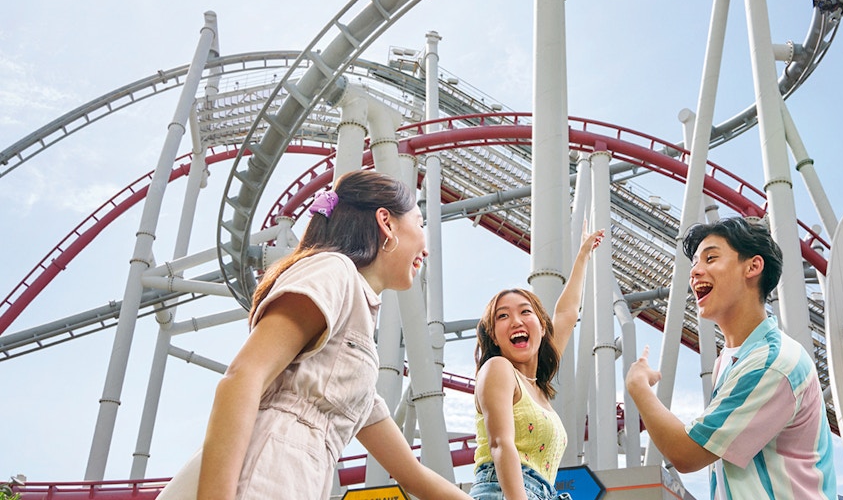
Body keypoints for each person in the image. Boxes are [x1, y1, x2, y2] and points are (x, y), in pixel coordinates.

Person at [158, 169, 472, 500]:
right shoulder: (333, 270)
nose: (426, 245)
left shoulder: (353, 373)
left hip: (297, 478)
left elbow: (413, 476)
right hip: (267, 470)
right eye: (420, 223)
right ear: (387, 222)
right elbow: (242, 376)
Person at [625, 217, 837, 499]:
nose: (696, 272)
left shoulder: (771, 362)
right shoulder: (728, 360)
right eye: (694, 265)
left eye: (711, 258)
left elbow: (687, 453)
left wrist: (638, 386)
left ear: (753, 266)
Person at [469, 228, 606, 500]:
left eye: (525, 312)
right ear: (494, 337)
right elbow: (500, 444)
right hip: (503, 490)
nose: (516, 321)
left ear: (542, 327)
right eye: (503, 316)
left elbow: (567, 314)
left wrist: (583, 256)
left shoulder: (537, 388)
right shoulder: (498, 369)